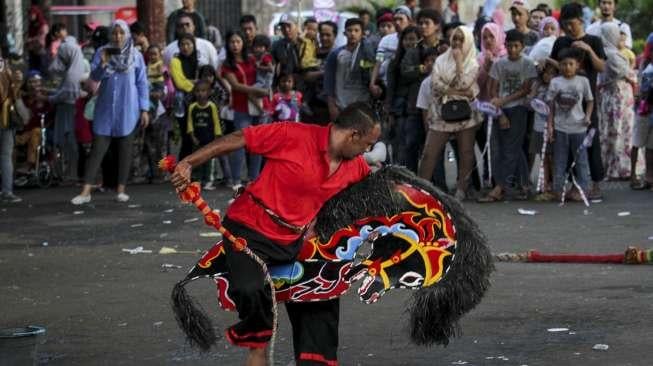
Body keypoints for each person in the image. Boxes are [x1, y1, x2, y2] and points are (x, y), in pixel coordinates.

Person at [170, 101, 381, 366]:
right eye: (367, 144)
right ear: (353, 135)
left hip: (297, 241)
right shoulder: (292, 135)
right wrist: (189, 162)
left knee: (321, 296)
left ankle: (313, 361)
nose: (368, 151)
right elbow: (239, 138)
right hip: (248, 232)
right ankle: (257, 349)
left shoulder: (356, 166)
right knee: (251, 290)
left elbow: (372, 195)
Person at [71, 20, 149, 205]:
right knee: (98, 149)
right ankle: (85, 192)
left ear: (127, 34)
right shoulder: (102, 52)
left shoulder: (135, 55)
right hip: (105, 108)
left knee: (125, 149)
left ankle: (121, 190)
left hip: (128, 108)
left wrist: (144, 108)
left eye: (121, 33)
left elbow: (142, 82)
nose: (118, 36)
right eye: (114, 33)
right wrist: (103, 65)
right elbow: (93, 80)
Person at [550, 2, 607, 199]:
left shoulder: (594, 40)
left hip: (588, 99)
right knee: (566, 144)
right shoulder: (560, 42)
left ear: (581, 21)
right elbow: (555, 69)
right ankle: (573, 184)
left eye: (571, 23)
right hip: (565, 102)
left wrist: (588, 50)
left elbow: (601, 67)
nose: (568, 28)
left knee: (591, 141)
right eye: (564, 24)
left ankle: (595, 182)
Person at [418, 26, 482, 200]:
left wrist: (459, 62)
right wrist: (461, 93)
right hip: (440, 114)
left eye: (461, 39)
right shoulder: (440, 61)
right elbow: (436, 86)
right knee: (429, 153)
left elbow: (464, 84)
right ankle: (420, 190)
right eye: (455, 38)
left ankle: (461, 190)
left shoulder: (473, 64)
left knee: (466, 152)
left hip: (465, 115)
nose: (457, 43)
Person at [478, 29, 538, 202]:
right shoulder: (499, 64)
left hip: (518, 109)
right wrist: (500, 111)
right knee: (502, 148)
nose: (512, 50)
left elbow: (526, 89)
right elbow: (492, 88)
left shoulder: (527, 63)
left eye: (516, 46)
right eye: (509, 46)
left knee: (511, 148)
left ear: (523, 47)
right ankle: (524, 184)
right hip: (500, 111)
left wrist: (504, 101)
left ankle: (499, 188)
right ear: (505, 45)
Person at [221, 30, 268, 191]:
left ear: (243, 43)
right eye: (232, 42)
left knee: (258, 144)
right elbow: (235, 86)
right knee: (240, 144)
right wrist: (258, 92)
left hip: (258, 107)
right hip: (241, 108)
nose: (235, 45)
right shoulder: (227, 66)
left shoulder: (253, 60)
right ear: (228, 44)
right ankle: (236, 180)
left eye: (238, 42)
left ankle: (254, 179)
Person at [547, 48, 594, 200]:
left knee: (581, 160)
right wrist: (550, 126)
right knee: (559, 160)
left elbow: (590, 101)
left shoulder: (583, 81)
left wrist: (587, 116)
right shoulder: (555, 82)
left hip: (579, 128)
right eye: (563, 64)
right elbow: (551, 105)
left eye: (570, 64)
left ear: (577, 65)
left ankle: (584, 190)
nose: (567, 67)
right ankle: (558, 190)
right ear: (559, 66)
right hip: (560, 128)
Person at [597, 22, 637, 180]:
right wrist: (634, 77)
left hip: (610, 96)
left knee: (611, 130)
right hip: (618, 97)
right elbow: (628, 74)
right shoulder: (613, 55)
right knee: (619, 130)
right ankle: (618, 168)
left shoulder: (604, 52)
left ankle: (610, 166)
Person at [47, 35, 85, 182]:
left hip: (68, 109)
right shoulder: (74, 67)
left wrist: (49, 98)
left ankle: (71, 174)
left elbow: (67, 93)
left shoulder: (71, 73)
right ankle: (68, 173)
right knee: (69, 141)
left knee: (69, 140)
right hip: (69, 108)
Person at [387, 26, 424, 172]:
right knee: (402, 146)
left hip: (419, 109)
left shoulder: (425, 59)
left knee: (416, 146)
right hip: (400, 109)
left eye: (413, 39)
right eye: (406, 39)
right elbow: (390, 89)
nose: (409, 43)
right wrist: (389, 112)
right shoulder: (395, 62)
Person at [324, 18, 374, 121]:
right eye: (349, 30)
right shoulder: (335, 54)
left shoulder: (368, 53)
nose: (353, 33)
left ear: (362, 33)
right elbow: (329, 82)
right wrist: (332, 107)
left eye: (356, 30)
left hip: (362, 106)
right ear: (344, 33)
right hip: (341, 106)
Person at [170, 33, 205, 160]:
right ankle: (182, 168)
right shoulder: (175, 61)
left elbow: (206, 80)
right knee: (187, 137)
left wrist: (192, 82)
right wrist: (196, 85)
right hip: (183, 106)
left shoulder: (199, 61)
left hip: (200, 103)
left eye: (188, 44)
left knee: (200, 136)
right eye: (182, 44)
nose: (185, 47)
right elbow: (179, 83)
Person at [370, 6, 412, 97]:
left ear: (409, 21)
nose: (397, 22)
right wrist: (372, 83)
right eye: (395, 19)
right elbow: (378, 61)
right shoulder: (385, 40)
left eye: (401, 19)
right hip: (386, 86)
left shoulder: (415, 39)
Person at [530, 61, 558, 200]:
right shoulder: (538, 86)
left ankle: (554, 185)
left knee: (553, 157)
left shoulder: (557, 87)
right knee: (543, 158)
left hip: (552, 127)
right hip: (539, 126)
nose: (548, 76)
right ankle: (544, 185)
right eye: (546, 73)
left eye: (552, 73)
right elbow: (530, 101)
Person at [187, 80, 222, 190]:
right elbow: (190, 123)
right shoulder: (192, 107)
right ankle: (197, 180)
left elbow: (216, 122)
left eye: (203, 91)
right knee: (197, 160)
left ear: (208, 92)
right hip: (197, 140)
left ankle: (209, 180)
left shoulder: (211, 106)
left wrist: (217, 137)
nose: (200, 93)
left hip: (210, 140)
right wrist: (192, 136)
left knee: (210, 161)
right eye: (197, 91)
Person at [15, 71, 52, 173]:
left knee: (36, 132)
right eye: (30, 82)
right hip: (25, 130)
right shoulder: (25, 98)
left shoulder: (47, 97)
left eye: (36, 82)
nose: (33, 85)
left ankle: (30, 164)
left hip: (43, 131)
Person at [302, 21, 338, 124]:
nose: (324, 38)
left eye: (328, 35)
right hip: (310, 108)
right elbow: (306, 76)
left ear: (335, 35)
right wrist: (325, 72)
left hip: (330, 108)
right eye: (322, 35)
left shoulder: (339, 54)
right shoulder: (312, 52)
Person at [630, 45, 653, 190]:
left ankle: (649, 178)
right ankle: (633, 176)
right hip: (645, 110)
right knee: (638, 142)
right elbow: (642, 90)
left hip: (648, 109)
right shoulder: (646, 67)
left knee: (651, 146)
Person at [0, 55, 21, 202]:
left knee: (6, 156)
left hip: (5, 118)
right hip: (6, 118)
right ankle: (7, 191)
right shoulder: (6, 70)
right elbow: (14, 95)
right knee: (6, 156)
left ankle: (7, 191)